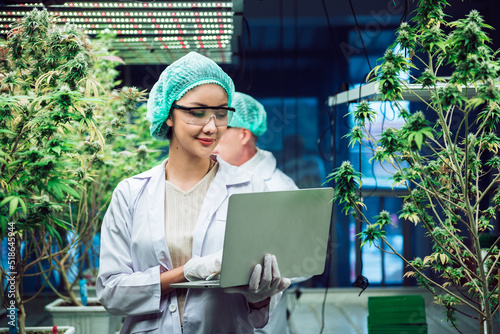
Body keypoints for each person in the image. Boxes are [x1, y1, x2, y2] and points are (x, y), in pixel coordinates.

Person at [97, 52, 290, 334]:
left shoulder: (250, 188)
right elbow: (112, 293)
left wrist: (260, 297)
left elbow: (260, 314)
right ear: (169, 114)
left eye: (221, 114)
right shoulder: (130, 193)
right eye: (197, 112)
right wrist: (187, 272)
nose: (211, 127)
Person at [214, 92, 307, 334]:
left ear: (244, 134)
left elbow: (302, 260)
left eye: (221, 123)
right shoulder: (213, 178)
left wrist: (254, 277)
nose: (210, 132)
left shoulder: (278, 187)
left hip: (260, 322)